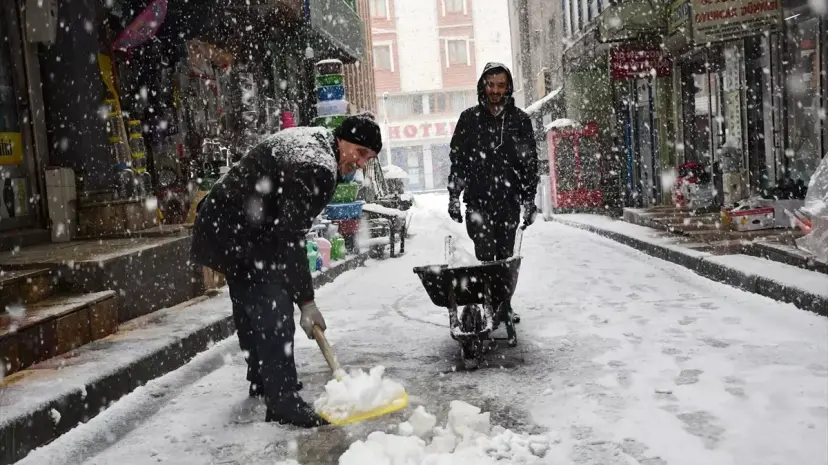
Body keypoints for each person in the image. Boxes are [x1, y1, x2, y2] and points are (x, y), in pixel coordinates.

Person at [191, 114, 382, 427]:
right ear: (342, 140)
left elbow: (284, 227)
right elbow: (290, 237)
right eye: (359, 153)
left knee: (249, 299)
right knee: (273, 305)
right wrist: (307, 302)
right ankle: (282, 403)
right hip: (239, 229)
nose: (360, 163)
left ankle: (262, 379)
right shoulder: (318, 167)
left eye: (368, 159)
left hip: (222, 224)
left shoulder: (320, 141)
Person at [447, 62, 539, 329]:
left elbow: (529, 164)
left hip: (508, 202)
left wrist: (528, 200)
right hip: (477, 201)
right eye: (491, 85)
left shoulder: (519, 121)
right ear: (483, 86)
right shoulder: (469, 120)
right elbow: (459, 162)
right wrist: (454, 196)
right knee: (486, 254)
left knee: (504, 256)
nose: (496, 91)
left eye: (501, 85)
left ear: (508, 87)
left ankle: (504, 305)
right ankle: (491, 303)